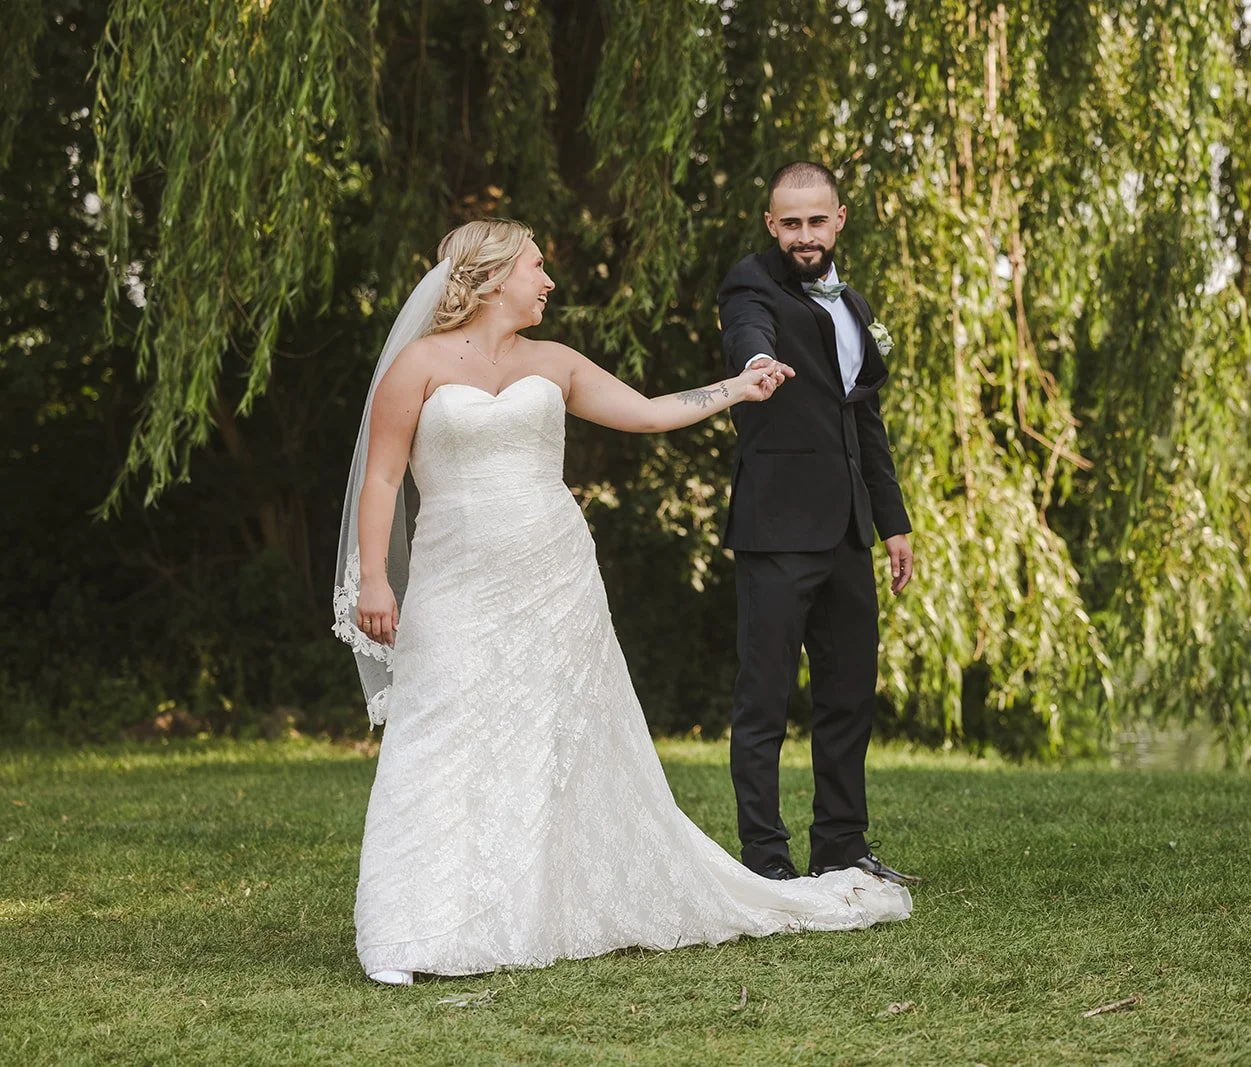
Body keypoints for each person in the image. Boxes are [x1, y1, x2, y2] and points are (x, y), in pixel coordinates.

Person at [332, 218, 912, 985]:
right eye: (537, 267)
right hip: (454, 575)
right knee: (440, 729)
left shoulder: (556, 361)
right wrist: (375, 576)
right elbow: (381, 481)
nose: (547, 281)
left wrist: (737, 387)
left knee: (553, 739)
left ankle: (529, 907)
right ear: (497, 274)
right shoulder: (419, 364)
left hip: (553, 574)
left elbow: (647, 411)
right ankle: (414, 922)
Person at [716, 163, 919, 885]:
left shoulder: (852, 304)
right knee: (765, 700)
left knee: (847, 695)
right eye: (790, 222)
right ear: (772, 225)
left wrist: (892, 524)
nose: (805, 235)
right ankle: (766, 861)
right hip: (776, 527)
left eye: (817, 220)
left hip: (847, 534)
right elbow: (749, 330)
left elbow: (865, 421)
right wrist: (757, 361)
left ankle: (841, 846)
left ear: (839, 219)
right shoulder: (751, 283)